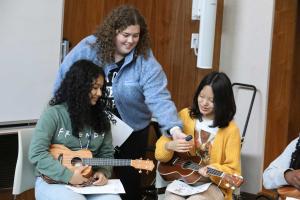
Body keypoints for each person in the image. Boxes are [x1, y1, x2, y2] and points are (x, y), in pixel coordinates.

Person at [52, 5, 186, 200]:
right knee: (88, 176)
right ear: (113, 31)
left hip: (132, 131)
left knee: (129, 186)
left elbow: (159, 97)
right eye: (125, 35)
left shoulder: (145, 59)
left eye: (136, 35)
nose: (131, 40)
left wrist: (174, 129)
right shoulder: (90, 47)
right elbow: (65, 77)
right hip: (93, 126)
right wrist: (57, 112)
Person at [29, 60, 121, 200]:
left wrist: (103, 172)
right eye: (94, 87)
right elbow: (37, 153)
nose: (99, 93)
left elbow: (106, 154)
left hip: (88, 182)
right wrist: (69, 176)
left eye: (101, 88)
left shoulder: (102, 120)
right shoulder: (54, 114)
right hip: (53, 181)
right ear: (79, 87)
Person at [155, 71, 241, 200]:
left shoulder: (231, 130)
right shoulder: (185, 115)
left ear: (223, 102)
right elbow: (160, 152)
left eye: (212, 100)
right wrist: (169, 146)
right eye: (202, 96)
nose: (204, 103)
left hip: (213, 186)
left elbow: (233, 171)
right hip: (183, 181)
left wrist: (213, 169)